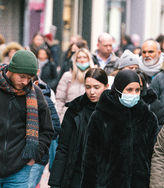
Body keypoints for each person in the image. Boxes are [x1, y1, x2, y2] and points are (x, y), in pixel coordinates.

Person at [81, 70, 158, 188]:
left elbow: (153, 157)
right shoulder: (100, 116)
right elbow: (90, 159)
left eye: (137, 90)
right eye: (129, 90)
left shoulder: (148, 118)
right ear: (118, 89)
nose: (133, 94)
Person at [0, 50, 54, 187]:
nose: (25, 82)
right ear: (11, 70)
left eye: (29, 78)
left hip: (19, 171)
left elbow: (47, 130)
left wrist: (33, 157)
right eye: (22, 76)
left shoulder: (36, 94)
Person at [49, 68, 109, 188]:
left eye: (96, 87)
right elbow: (63, 148)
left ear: (106, 86)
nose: (92, 92)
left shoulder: (114, 111)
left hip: (105, 177)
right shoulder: (74, 110)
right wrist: (55, 182)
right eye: (88, 87)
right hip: (77, 175)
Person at [28, 73, 60, 188]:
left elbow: (54, 127)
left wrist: (39, 147)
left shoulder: (45, 100)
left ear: (36, 83)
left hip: (37, 157)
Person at [55, 48, 95, 122]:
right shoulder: (67, 76)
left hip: (88, 118)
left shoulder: (94, 76)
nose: (82, 60)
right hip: (69, 118)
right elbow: (59, 100)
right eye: (79, 57)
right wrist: (59, 119)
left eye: (85, 57)